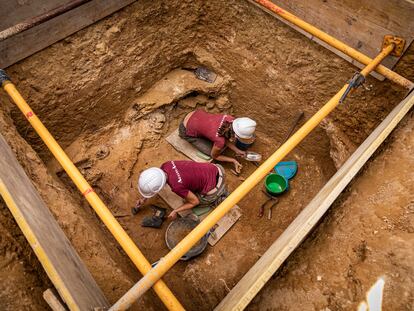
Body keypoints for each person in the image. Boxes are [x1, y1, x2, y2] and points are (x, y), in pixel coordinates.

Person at [136, 160, 228, 219]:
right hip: (216, 168)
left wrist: (176, 211)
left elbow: (195, 202)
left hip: (217, 185)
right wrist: (144, 198)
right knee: (190, 186)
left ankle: (218, 198)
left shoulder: (177, 187)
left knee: (188, 201)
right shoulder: (166, 165)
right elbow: (156, 180)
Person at [179, 110, 256, 173]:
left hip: (194, 113)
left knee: (217, 141)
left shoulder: (230, 118)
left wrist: (237, 150)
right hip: (185, 128)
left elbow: (223, 136)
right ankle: (189, 136)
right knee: (210, 151)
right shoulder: (220, 141)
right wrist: (233, 160)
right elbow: (215, 156)